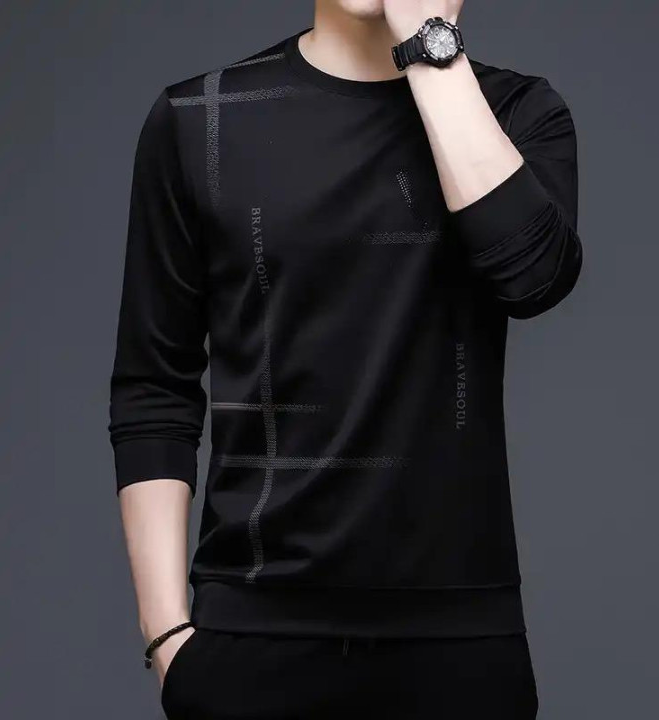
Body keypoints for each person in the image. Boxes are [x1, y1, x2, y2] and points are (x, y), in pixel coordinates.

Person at [108, 0, 583, 717]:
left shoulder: (515, 112)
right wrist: (166, 633)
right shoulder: (202, 117)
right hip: (252, 637)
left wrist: (430, 47)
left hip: (458, 644)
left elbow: (534, 278)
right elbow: (154, 387)